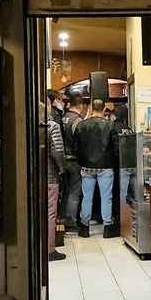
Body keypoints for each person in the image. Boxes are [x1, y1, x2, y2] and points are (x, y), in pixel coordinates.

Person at [73, 98, 118, 238]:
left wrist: (82, 161)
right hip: (105, 166)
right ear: (104, 110)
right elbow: (116, 147)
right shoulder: (110, 126)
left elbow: (76, 147)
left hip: (86, 166)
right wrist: (113, 162)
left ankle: (85, 227)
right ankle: (107, 227)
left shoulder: (81, 125)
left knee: (87, 197)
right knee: (106, 197)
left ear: (91, 109)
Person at [44, 103, 68, 261]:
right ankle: (49, 249)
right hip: (50, 175)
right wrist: (62, 169)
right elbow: (57, 151)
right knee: (50, 212)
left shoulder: (25, 124)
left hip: (29, 176)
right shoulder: (52, 126)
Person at [59, 95, 86, 232]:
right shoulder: (77, 120)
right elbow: (79, 141)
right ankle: (71, 221)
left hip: (63, 159)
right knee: (75, 192)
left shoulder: (63, 117)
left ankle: (63, 218)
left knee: (66, 190)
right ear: (81, 106)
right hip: (74, 160)